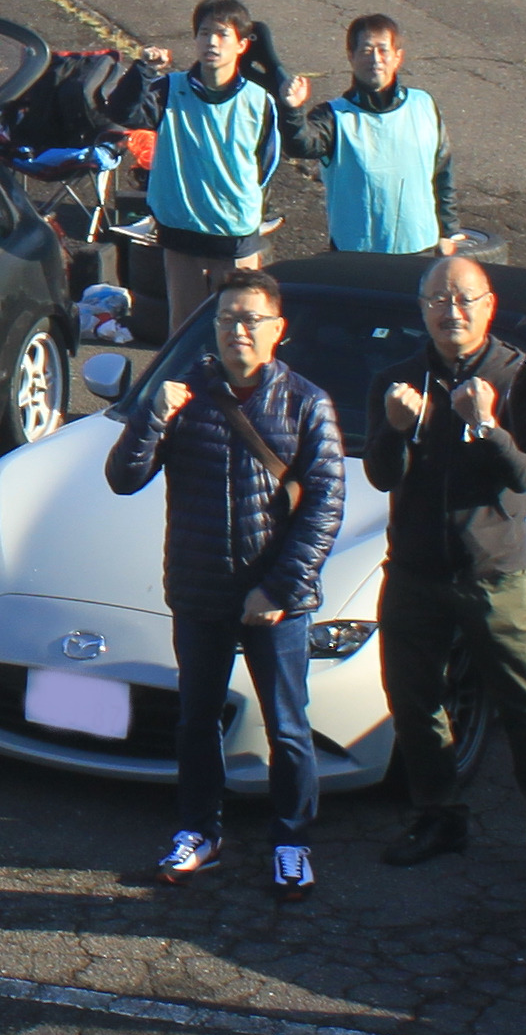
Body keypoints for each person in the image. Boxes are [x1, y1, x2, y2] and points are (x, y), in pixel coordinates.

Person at [103, 266, 348, 897]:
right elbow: (123, 478)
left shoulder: (306, 403)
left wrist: (281, 589)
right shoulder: (185, 396)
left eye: (250, 320)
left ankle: (292, 841)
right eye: (226, 319)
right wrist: (152, 417)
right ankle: (198, 833)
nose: (237, 331)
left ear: (277, 331)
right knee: (196, 720)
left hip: (274, 600)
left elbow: (325, 506)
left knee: (287, 726)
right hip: (200, 590)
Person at [362, 256, 526, 888]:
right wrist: (397, 432)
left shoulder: (520, 376)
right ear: (422, 309)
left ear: (488, 306)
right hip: (415, 570)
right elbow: (382, 476)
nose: (449, 312)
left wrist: (486, 424)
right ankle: (437, 814)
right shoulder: (399, 379)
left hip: (495, 576)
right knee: (415, 702)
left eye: (463, 300)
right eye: (437, 300)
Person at [132, 0, 285, 327]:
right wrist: (145, 72)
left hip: (235, 232)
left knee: (242, 326)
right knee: (184, 329)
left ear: (242, 45)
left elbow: (267, 163)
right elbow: (125, 113)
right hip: (179, 229)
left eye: (221, 34)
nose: (211, 42)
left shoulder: (259, 100)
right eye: (204, 33)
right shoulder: (168, 89)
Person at [285, 12, 457, 258]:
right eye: (366, 51)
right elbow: (300, 146)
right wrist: (292, 110)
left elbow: (443, 170)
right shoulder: (332, 116)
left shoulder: (424, 104)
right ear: (351, 57)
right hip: (357, 255)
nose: (375, 59)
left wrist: (449, 230)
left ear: (397, 58)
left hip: (421, 248)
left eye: (383, 50)